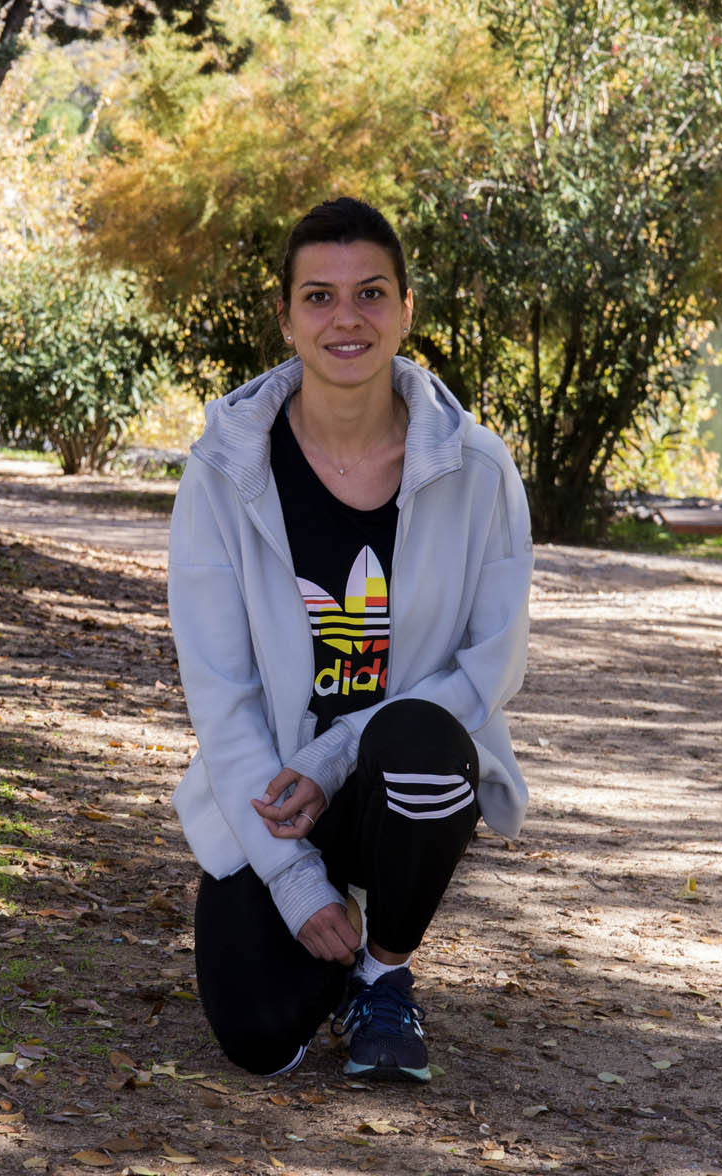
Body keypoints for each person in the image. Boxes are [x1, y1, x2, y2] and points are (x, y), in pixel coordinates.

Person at [167, 197, 534, 1082]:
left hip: (392, 788)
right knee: (260, 1037)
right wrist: (293, 880)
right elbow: (221, 695)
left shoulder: (477, 470)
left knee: (419, 740)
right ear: (288, 318)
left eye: (371, 293)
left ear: (407, 310)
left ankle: (384, 971)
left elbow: (492, 665)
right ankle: (326, 939)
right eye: (320, 296)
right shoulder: (223, 474)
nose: (347, 318)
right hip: (270, 797)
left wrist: (337, 758)